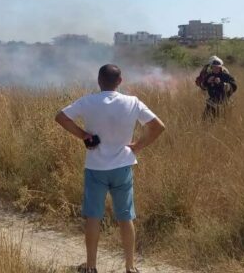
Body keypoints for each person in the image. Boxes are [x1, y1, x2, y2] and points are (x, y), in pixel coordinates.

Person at [54, 64, 166, 273]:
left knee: (94, 216)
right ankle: (130, 267)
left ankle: (91, 266)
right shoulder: (132, 102)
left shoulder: (88, 101)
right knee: (125, 216)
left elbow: (60, 116)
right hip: (123, 165)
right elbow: (158, 126)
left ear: (98, 81)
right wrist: (138, 146)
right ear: (120, 81)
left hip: (96, 166)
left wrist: (83, 135)